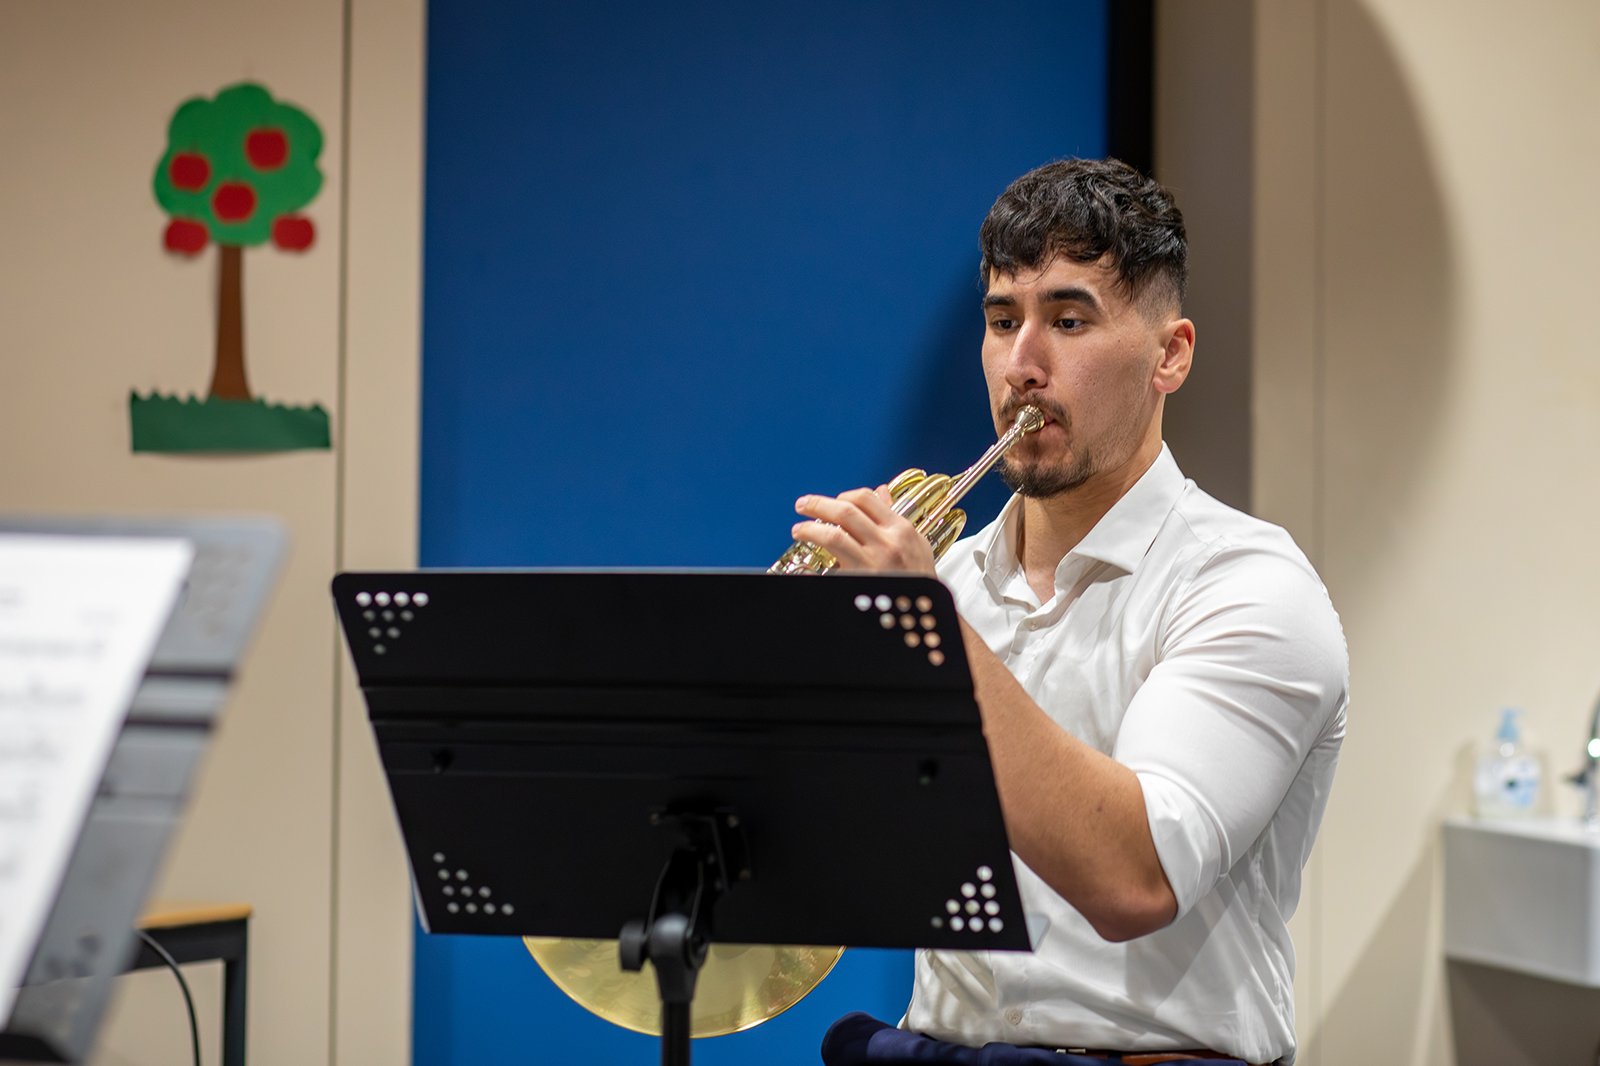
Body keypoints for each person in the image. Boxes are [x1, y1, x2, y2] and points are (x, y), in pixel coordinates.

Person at [793, 158, 1348, 1066]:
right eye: (1002, 321)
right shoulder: (948, 584)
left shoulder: (1248, 585)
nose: (1022, 365)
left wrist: (927, 632)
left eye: (1068, 320)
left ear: (1170, 355)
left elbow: (1134, 879)